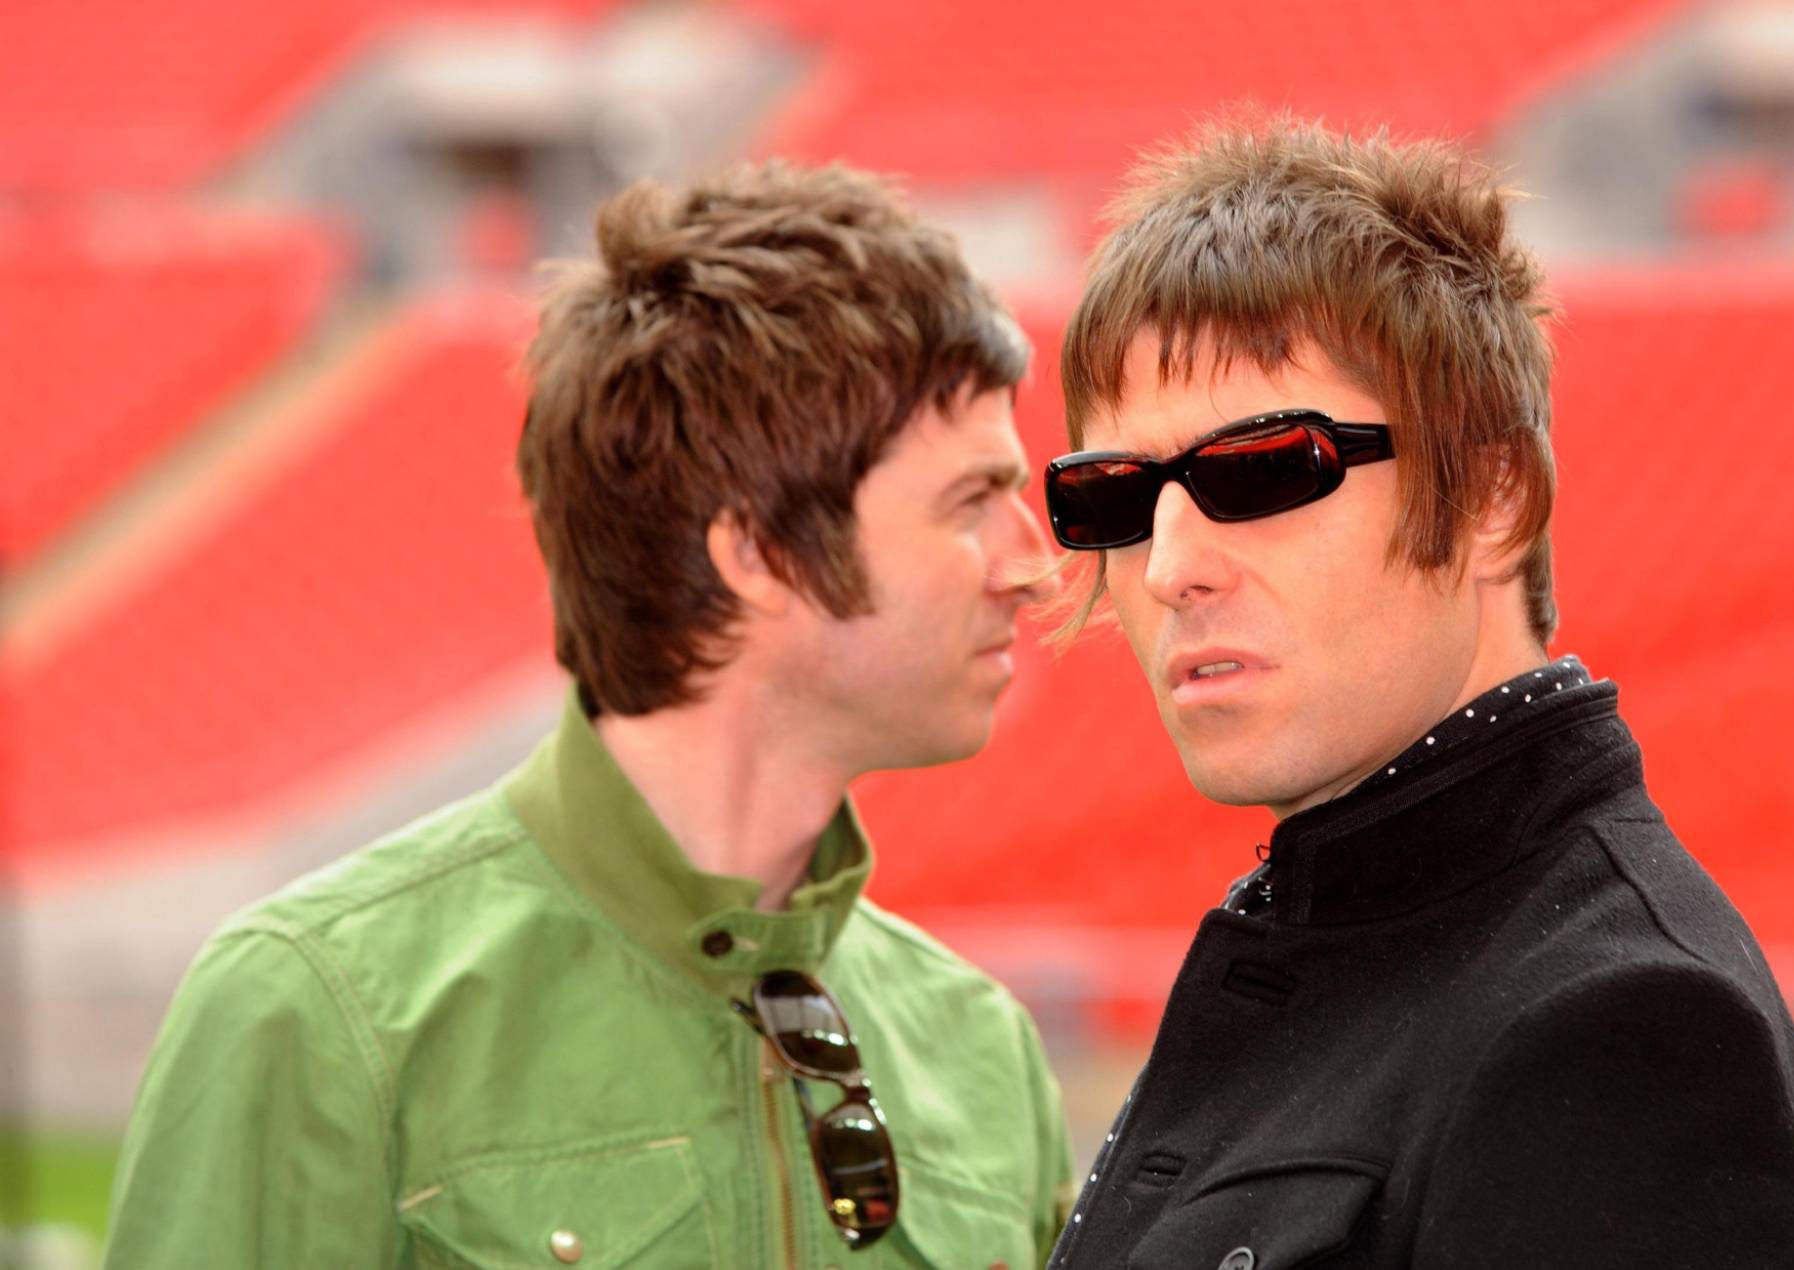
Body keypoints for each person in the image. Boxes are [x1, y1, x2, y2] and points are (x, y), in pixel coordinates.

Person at [104, 162, 1074, 1268]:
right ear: (756, 553)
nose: (1031, 563)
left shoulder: (982, 1048)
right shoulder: (317, 1012)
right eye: (968, 502)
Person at [1040, 118, 1794, 1270]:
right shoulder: (1370, 924)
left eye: (1261, 468)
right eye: (1114, 498)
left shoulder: (1615, 1030)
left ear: (1493, 500)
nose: (1169, 565)